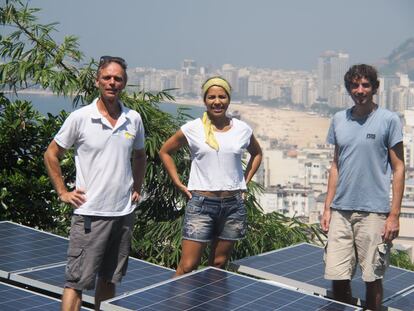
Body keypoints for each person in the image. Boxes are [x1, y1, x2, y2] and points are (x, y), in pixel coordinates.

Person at [44, 56, 146, 311]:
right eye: (107, 77)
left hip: (122, 214)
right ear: (97, 80)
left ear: (124, 83)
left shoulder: (133, 118)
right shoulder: (81, 117)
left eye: (118, 79)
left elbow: (141, 155)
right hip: (90, 213)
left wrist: (137, 188)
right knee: (76, 282)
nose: (112, 82)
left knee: (110, 280)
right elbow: (51, 154)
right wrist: (62, 192)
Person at [321, 64, 405, 310]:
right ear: (348, 88)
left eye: (365, 85)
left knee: (372, 278)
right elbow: (336, 165)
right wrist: (327, 208)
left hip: (373, 212)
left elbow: (399, 168)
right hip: (340, 211)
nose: (360, 90)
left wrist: (394, 215)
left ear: (375, 88)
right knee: (337, 275)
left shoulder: (388, 120)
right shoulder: (339, 119)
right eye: (355, 85)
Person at [159, 76, 262, 276]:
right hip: (202, 204)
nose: (217, 101)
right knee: (188, 265)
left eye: (222, 97)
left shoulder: (242, 129)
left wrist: (245, 182)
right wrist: (178, 183)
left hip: (233, 205)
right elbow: (165, 151)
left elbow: (257, 153)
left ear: (228, 99)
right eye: (212, 97)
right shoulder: (192, 128)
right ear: (205, 100)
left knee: (218, 264)